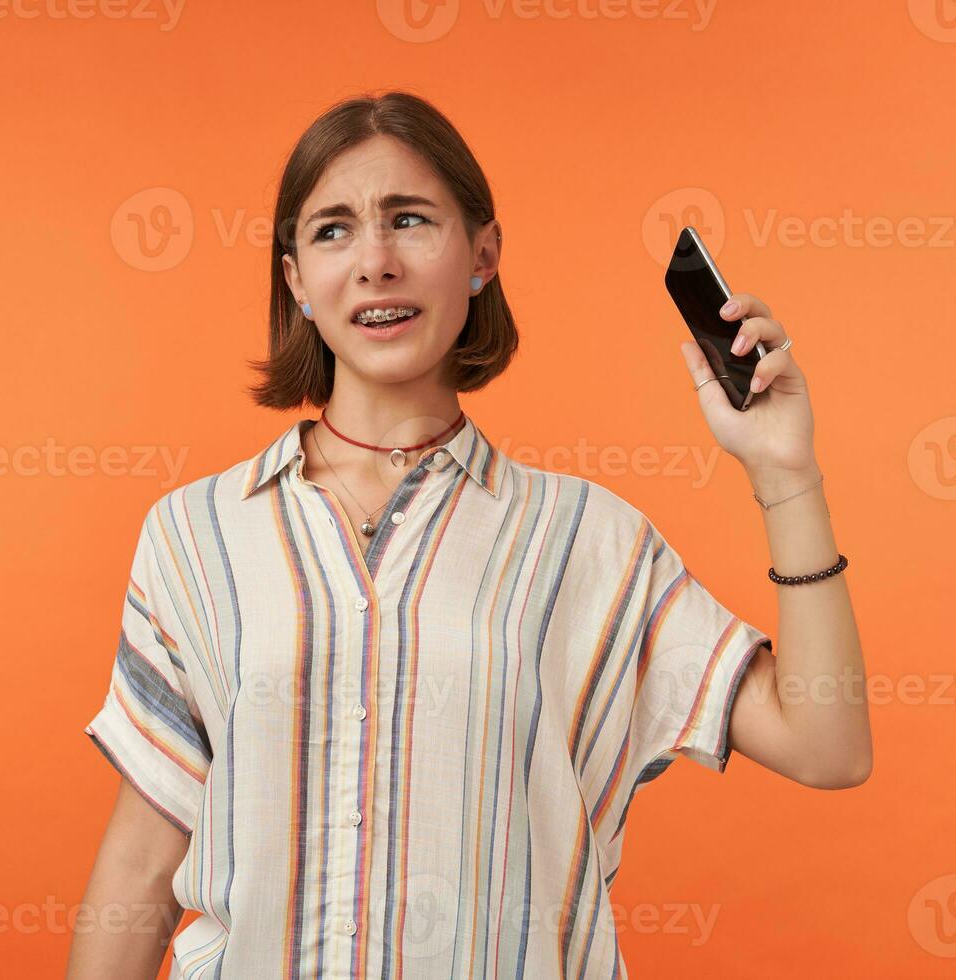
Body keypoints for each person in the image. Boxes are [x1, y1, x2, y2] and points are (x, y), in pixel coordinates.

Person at [66, 91, 871, 979]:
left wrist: (784, 473)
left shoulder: (586, 541)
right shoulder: (195, 534)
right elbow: (141, 869)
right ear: (295, 279)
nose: (375, 262)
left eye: (409, 220)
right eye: (333, 231)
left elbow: (827, 747)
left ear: (482, 255)